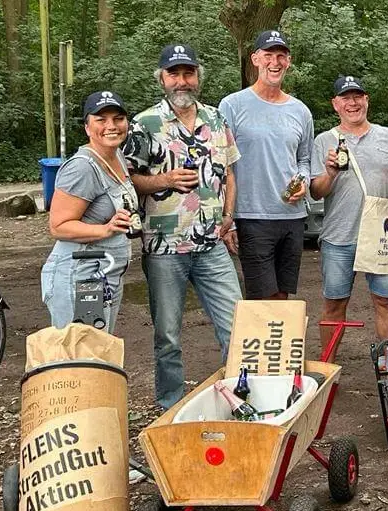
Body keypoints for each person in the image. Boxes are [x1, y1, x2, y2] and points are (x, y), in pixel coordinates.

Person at [123, 44, 244, 410]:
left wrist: (228, 217)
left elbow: (230, 172)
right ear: (161, 78)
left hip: (211, 243)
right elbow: (128, 180)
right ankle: (171, 408)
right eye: (173, 73)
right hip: (164, 248)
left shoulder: (217, 118)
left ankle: (239, 400)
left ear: (197, 77)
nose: (181, 80)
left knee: (238, 329)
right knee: (168, 337)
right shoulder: (144, 124)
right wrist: (163, 181)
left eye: (188, 73)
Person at [310, 75, 388, 351]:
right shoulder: (324, 140)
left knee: (385, 301)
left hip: (381, 236)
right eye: (346, 98)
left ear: (366, 100)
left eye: (357, 96)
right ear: (335, 104)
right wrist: (330, 172)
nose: (353, 103)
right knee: (334, 303)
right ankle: (329, 368)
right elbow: (316, 192)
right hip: (339, 236)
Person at [219, 30, 313, 299]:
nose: (275, 62)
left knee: (283, 297)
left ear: (289, 61)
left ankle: (279, 343)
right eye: (269, 55)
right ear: (255, 59)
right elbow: (222, 166)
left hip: (292, 217)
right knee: (263, 299)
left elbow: (304, 160)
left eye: (281, 56)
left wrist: (303, 182)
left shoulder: (300, 111)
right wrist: (229, 219)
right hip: (251, 216)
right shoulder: (232, 106)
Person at [41, 91, 137, 334]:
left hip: (106, 273)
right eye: (101, 120)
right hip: (82, 277)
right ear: (87, 127)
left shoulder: (117, 156)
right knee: (80, 358)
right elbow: (58, 226)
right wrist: (105, 229)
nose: (111, 126)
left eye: (118, 118)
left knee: (99, 352)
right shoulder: (82, 167)